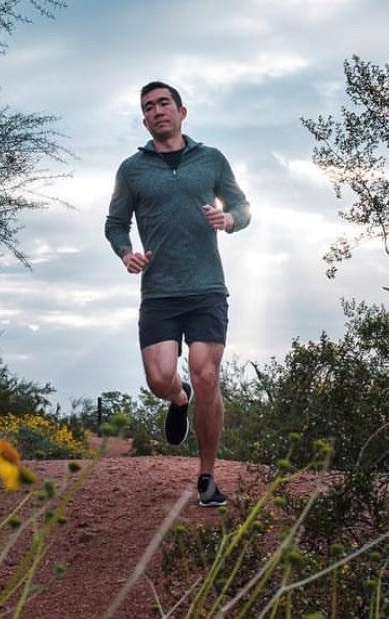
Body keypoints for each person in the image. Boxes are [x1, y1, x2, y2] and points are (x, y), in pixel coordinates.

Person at [104, 81, 251, 507]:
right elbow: (115, 224)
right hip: (160, 293)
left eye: (163, 103)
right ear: (145, 119)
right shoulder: (132, 170)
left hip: (206, 287)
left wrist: (229, 219)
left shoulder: (211, 160)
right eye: (148, 107)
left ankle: (206, 477)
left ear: (182, 111)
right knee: (159, 379)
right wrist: (126, 253)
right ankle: (178, 396)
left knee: (207, 373)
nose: (157, 111)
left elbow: (243, 206)